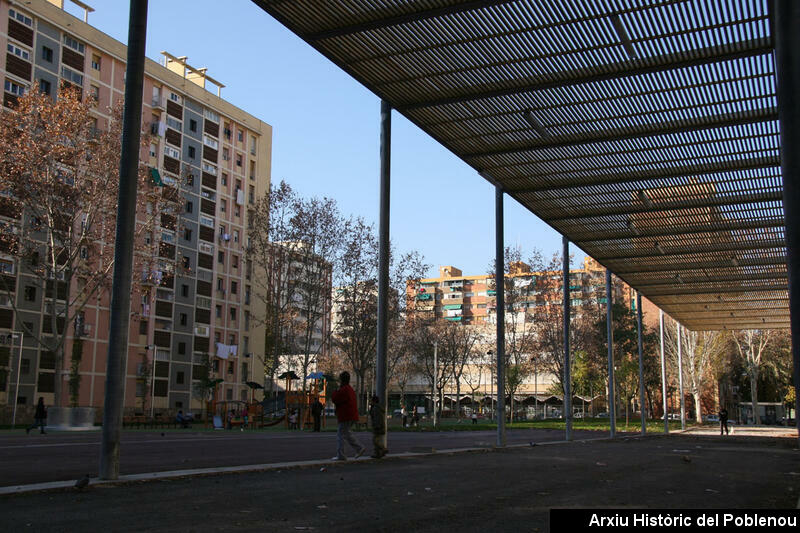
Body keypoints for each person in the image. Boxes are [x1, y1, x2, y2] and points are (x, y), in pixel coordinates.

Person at [330, 371, 365, 460]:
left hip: (346, 415)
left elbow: (334, 398)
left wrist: (335, 391)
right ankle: (359, 448)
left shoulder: (344, 389)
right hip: (351, 415)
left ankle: (342, 455)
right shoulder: (349, 389)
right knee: (346, 434)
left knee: (341, 435)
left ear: (342, 380)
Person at [368, 394, 387, 459]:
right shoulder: (376, 408)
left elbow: (377, 418)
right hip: (378, 426)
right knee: (376, 440)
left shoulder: (376, 408)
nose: (370, 402)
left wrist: (377, 426)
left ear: (374, 401)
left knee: (375, 440)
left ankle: (383, 449)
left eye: (371, 401)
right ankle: (378, 453)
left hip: (378, 427)